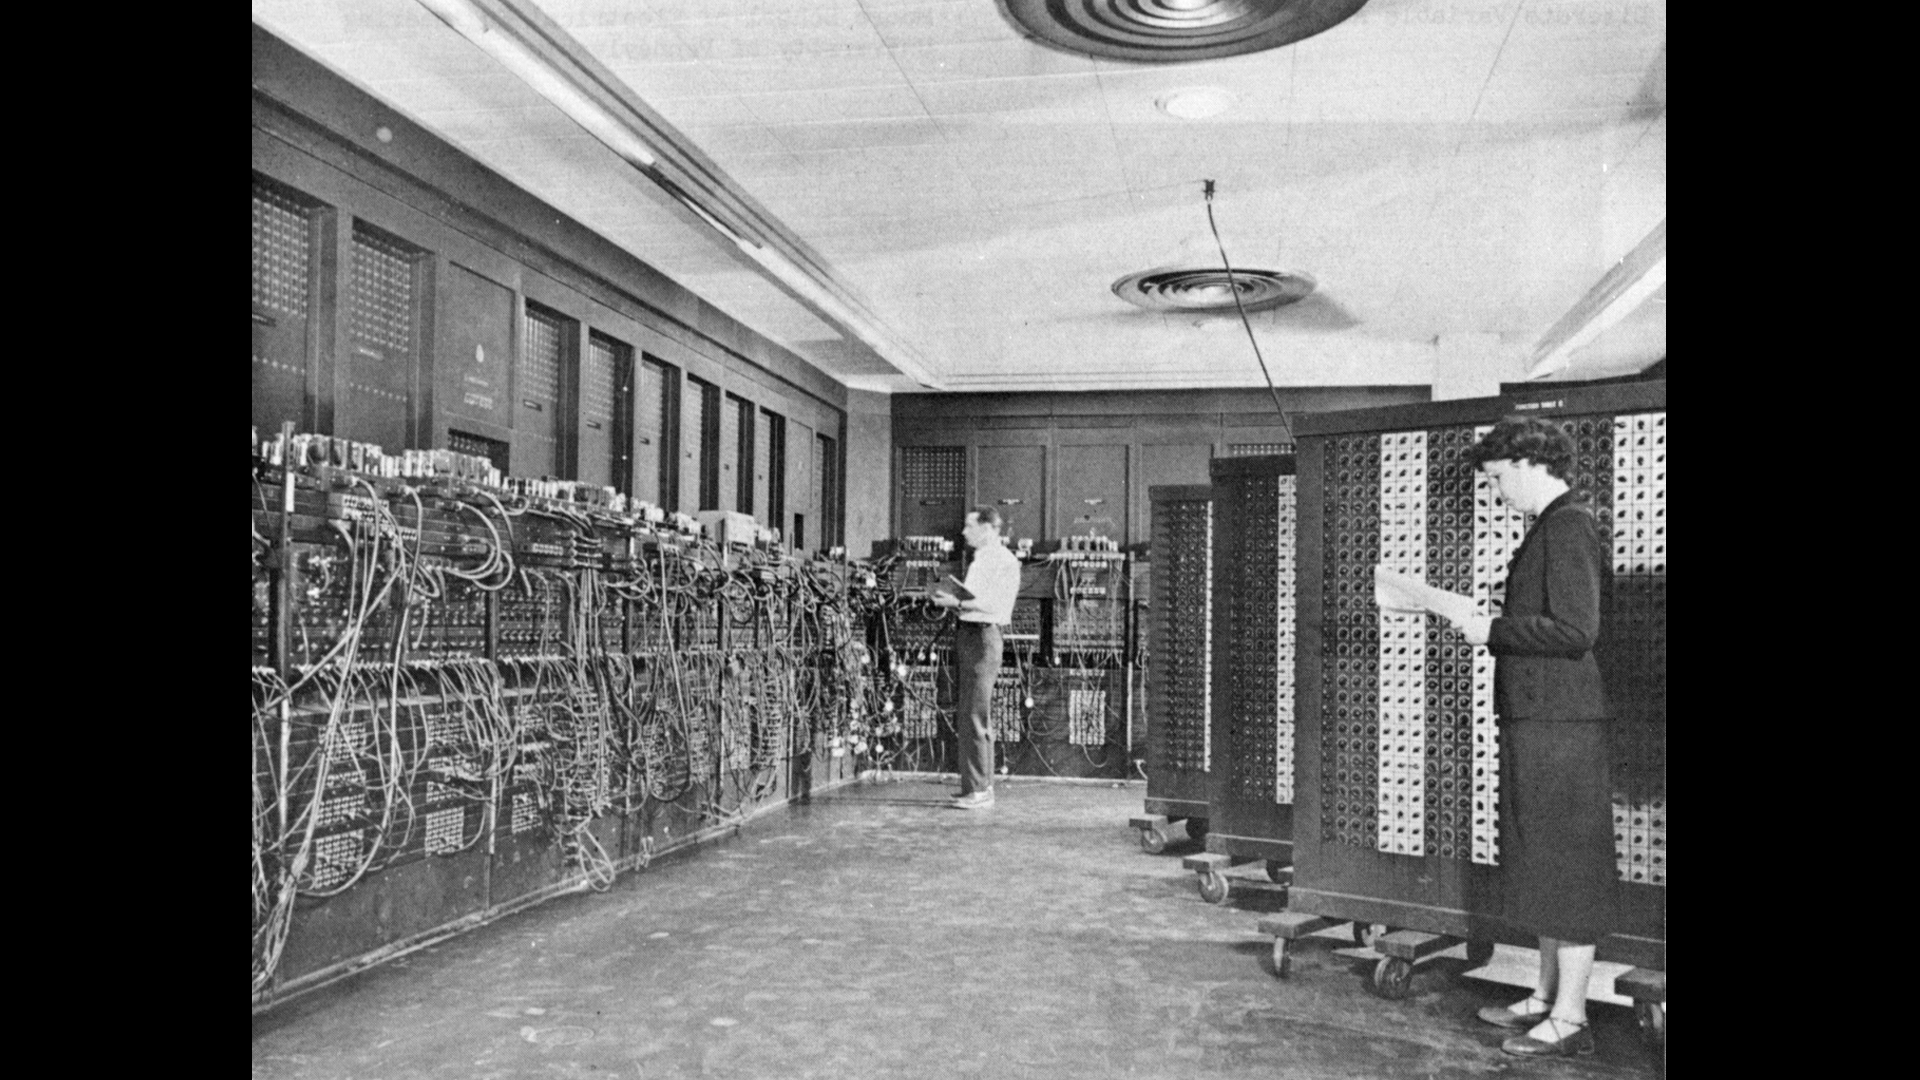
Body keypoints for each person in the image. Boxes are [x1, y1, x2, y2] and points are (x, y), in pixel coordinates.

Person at [1448, 417, 1614, 1059]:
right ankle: (1546, 995)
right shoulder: (1551, 527)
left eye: (1494, 480)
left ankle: (1570, 1017)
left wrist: (1492, 630)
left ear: (1525, 463)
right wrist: (1502, 612)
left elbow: (1577, 631)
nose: (1494, 493)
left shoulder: (1567, 526)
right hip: (1542, 721)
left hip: (1563, 727)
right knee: (1542, 856)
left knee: (1567, 864)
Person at [930, 507, 1022, 810]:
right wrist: (956, 602)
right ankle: (974, 786)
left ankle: (981, 790)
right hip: (970, 634)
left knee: (976, 714)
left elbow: (997, 605)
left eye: (970, 526)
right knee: (968, 713)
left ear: (988, 528)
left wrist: (956, 600)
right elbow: (973, 602)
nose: (964, 532)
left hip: (984, 638)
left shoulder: (1005, 562)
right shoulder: (981, 559)